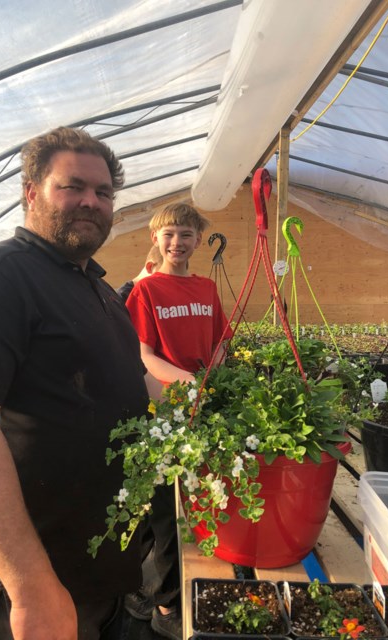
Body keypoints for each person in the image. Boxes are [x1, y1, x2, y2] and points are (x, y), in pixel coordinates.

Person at [0, 126, 162, 640]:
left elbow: (136, 381)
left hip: (99, 570)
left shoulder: (100, 292)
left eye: (103, 193)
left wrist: (210, 412)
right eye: (72, 186)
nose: (90, 202)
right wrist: (32, 586)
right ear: (30, 191)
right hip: (26, 589)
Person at [123, 202, 233, 640]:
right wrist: (186, 380)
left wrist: (214, 377)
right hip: (161, 410)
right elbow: (143, 355)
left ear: (198, 242)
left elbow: (221, 343)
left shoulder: (206, 289)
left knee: (165, 505)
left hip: (201, 405)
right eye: (168, 234)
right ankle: (166, 604)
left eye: (186, 234)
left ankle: (134, 584)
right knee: (166, 509)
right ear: (155, 239)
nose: (177, 242)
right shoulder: (145, 292)